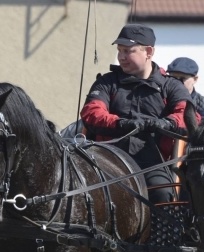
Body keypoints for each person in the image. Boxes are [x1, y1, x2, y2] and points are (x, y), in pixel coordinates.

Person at [80, 24, 192, 204]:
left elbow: (189, 116)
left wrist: (166, 123)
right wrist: (121, 124)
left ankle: (163, 233)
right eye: (119, 50)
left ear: (148, 52)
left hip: (153, 160)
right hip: (106, 155)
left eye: (128, 51)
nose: (121, 57)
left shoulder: (171, 86)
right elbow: (91, 113)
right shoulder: (106, 83)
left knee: (163, 195)